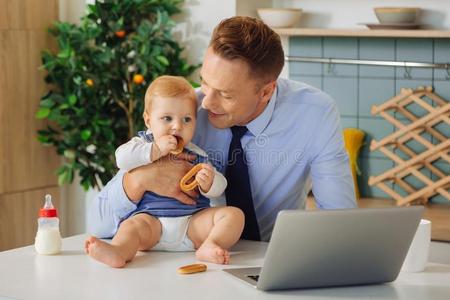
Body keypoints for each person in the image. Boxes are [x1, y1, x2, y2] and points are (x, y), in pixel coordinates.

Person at [88, 16, 356, 244]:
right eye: (205, 82)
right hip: (189, 258)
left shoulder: (315, 113)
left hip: (271, 259)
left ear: (265, 91)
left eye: (225, 94)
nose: (206, 102)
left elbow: (341, 221)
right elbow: (97, 225)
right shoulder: (183, 116)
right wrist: (138, 181)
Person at [85, 76, 244, 268]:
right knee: (131, 227)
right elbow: (122, 158)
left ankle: (211, 245)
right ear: (148, 120)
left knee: (234, 215)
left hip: (191, 224)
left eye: (187, 119)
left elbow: (220, 188)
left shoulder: (196, 154)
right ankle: (120, 251)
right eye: (167, 118)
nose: (177, 126)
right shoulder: (142, 144)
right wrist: (155, 150)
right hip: (151, 221)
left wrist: (209, 182)